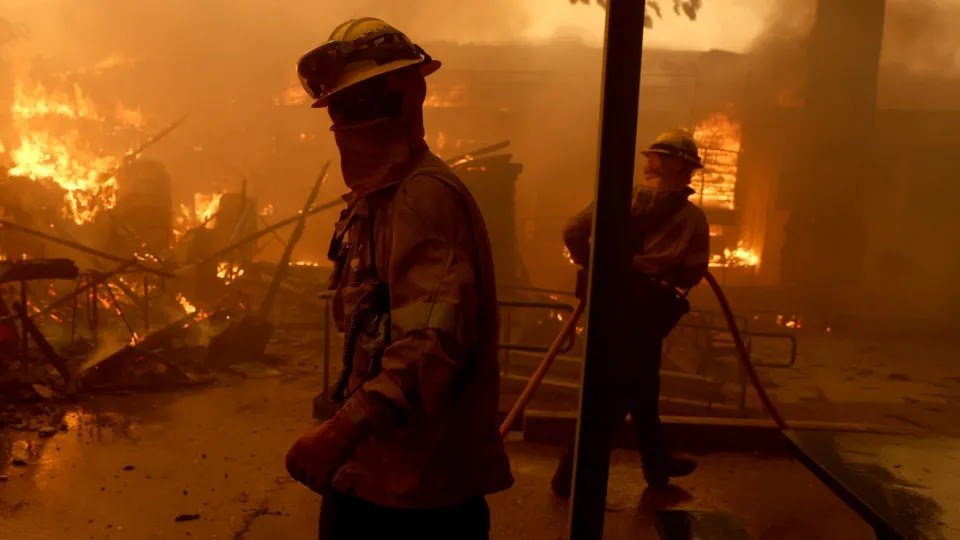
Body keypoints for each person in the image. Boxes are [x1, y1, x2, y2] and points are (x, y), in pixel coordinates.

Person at [284, 17, 513, 539]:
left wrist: (339, 432)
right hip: (376, 475)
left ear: (405, 98)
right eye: (338, 108)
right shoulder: (382, 198)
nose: (343, 122)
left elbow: (430, 344)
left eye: (356, 104)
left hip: (417, 497)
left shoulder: (421, 197)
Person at [552, 129, 711, 496]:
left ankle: (658, 465)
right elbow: (693, 271)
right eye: (688, 168)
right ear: (678, 168)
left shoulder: (616, 199)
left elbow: (573, 230)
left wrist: (594, 265)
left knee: (642, 388)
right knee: (616, 395)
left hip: (610, 303)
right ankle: (570, 473)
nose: (690, 176)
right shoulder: (691, 219)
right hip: (649, 311)